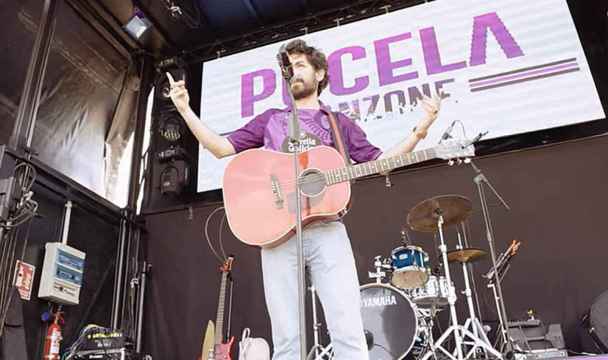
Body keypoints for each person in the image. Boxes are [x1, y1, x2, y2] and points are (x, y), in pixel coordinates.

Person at [166, 39, 441, 360]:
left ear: (320, 72)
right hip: (277, 234)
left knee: (349, 330)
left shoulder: (339, 125)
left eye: (299, 65)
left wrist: (421, 130)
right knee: (286, 339)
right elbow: (220, 148)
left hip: (328, 230)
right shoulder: (271, 119)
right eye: (288, 68)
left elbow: (382, 163)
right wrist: (184, 109)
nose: (291, 72)